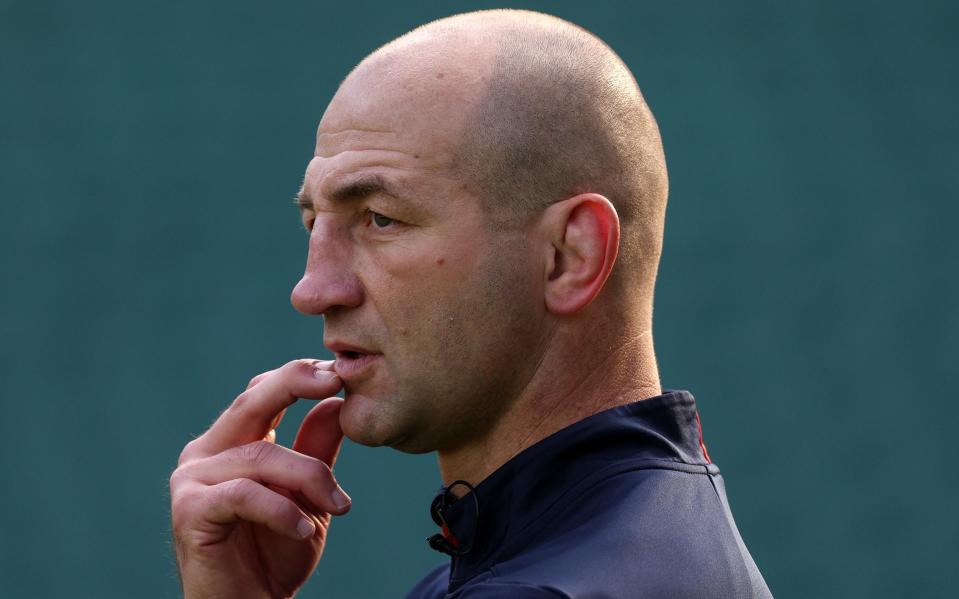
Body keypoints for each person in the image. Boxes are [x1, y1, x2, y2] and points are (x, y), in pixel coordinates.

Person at [170, 9, 772, 598]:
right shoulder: (665, 537)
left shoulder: (539, 588)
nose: (313, 290)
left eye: (381, 218)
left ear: (570, 256)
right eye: (312, 223)